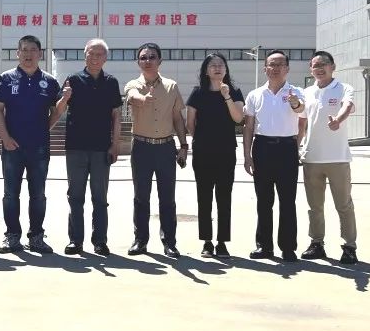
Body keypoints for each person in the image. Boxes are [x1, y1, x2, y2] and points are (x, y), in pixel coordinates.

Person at [0, 35, 62, 254]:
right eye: (24, 50)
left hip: (39, 148)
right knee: (10, 194)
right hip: (12, 147)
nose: (28, 54)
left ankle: (36, 237)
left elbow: (56, 111)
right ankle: (12, 237)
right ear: (17, 53)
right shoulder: (6, 78)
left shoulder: (49, 81)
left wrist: (44, 129)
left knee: (38, 194)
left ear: (40, 54)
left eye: (33, 50)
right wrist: (5, 138)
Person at [55, 38, 122, 256]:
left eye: (99, 54)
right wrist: (64, 98)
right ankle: (75, 240)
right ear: (85, 56)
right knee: (75, 196)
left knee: (100, 198)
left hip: (101, 148)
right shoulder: (73, 80)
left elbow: (116, 115)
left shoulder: (111, 82)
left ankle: (100, 241)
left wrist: (115, 144)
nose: (95, 58)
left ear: (105, 58)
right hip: (76, 147)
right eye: (91, 54)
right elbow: (58, 109)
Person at [124, 43, 188, 258]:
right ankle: (140, 241)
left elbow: (177, 118)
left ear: (160, 61)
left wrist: (183, 146)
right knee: (141, 197)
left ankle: (169, 242)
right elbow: (132, 96)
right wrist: (143, 99)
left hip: (166, 148)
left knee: (167, 198)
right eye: (143, 57)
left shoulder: (171, 86)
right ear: (138, 62)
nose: (148, 61)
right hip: (141, 147)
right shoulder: (133, 84)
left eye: (152, 57)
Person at [243, 50, 306, 262]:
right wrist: (247, 155)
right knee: (264, 201)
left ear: (287, 68)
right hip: (262, 148)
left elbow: (301, 112)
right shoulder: (255, 94)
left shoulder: (296, 92)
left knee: (287, 200)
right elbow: (249, 126)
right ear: (265, 69)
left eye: (280, 64)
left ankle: (288, 247)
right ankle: (264, 246)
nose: (275, 68)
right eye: (272, 64)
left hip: (287, 148)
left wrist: (294, 103)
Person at [299, 50, 358, 264]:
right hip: (312, 158)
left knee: (344, 205)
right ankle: (317, 244)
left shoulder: (344, 88)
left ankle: (349, 246)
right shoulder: (307, 92)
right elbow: (302, 122)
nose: (319, 68)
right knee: (315, 207)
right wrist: (296, 147)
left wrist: (338, 121)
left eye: (323, 64)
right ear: (311, 69)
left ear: (332, 67)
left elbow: (347, 106)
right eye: (315, 65)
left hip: (337, 158)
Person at [185, 52, 244, 258]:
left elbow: (238, 118)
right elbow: (190, 124)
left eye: (221, 65)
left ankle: (222, 242)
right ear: (206, 71)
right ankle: (207, 241)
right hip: (203, 152)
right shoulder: (197, 93)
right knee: (204, 197)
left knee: (224, 197)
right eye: (213, 65)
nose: (217, 68)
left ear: (226, 70)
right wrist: (202, 140)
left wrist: (226, 96)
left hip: (226, 151)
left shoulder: (234, 92)